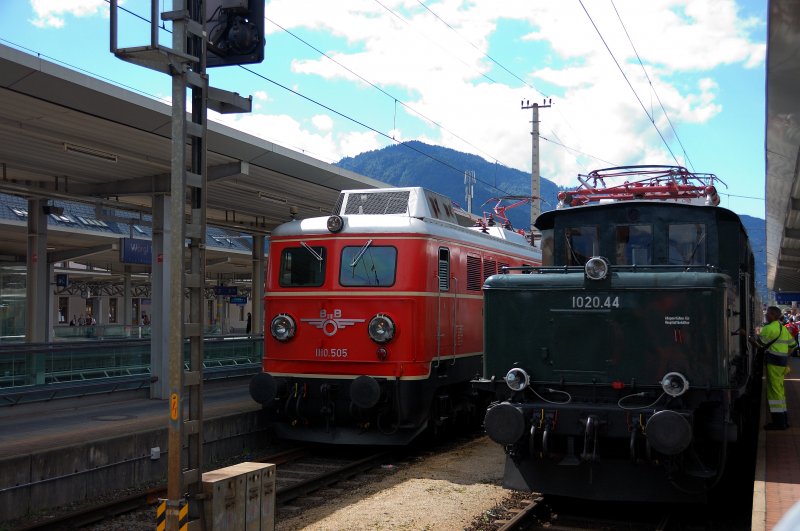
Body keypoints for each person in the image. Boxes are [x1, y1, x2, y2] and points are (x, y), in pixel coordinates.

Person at [746, 306, 794, 430]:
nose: (766, 315)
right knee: (780, 392)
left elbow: (758, 345)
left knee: (774, 393)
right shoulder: (782, 328)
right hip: (782, 364)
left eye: (767, 314)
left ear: (773, 315)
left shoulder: (768, 329)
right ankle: (784, 421)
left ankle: (779, 423)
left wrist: (747, 337)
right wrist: (785, 356)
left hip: (774, 363)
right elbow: (793, 345)